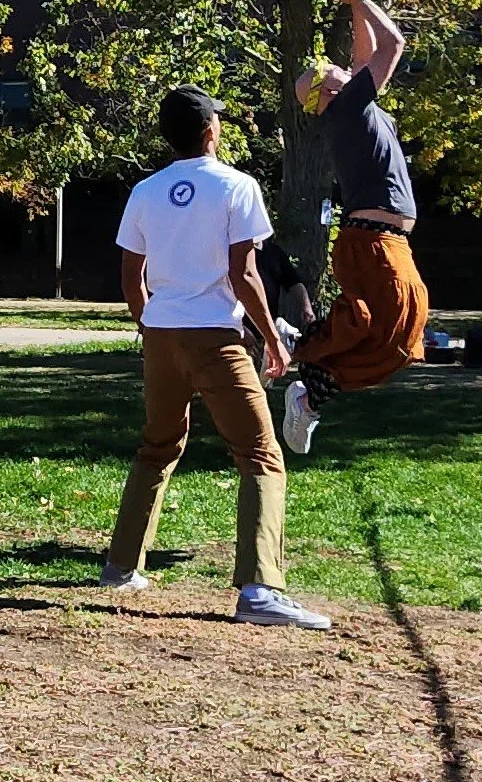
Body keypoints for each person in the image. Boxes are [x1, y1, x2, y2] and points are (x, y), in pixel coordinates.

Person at [100, 83, 331, 630]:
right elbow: (245, 272)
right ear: (210, 132)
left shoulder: (145, 190)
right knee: (261, 456)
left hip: (160, 335)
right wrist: (272, 341)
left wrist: (149, 323)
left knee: (157, 445)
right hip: (216, 337)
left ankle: (120, 566)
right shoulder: (238, 185)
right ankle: (260, 590)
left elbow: (131, 275)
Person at [282, 0, 429, 453]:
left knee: (399, 330)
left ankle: (302, 361)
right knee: (394, 337)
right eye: (329, 73)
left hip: (381, 240)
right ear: (326, 96)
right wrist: (360, 0)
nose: (339, 69)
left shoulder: (354, 105)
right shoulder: (347, 109)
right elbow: (394, 44)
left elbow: (365, 56)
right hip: (372, 241)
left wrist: (356, 7)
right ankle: (305, 375)